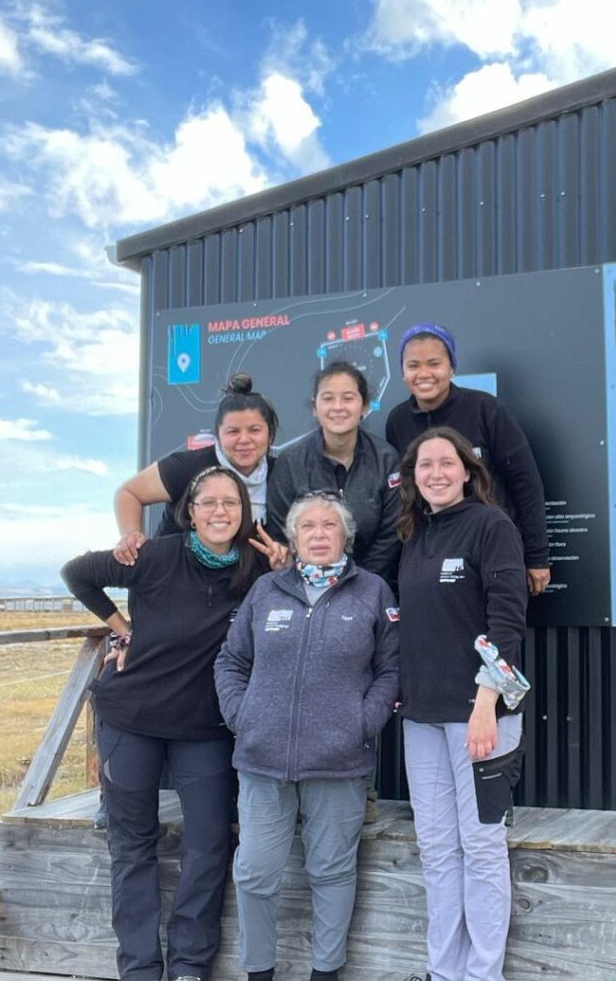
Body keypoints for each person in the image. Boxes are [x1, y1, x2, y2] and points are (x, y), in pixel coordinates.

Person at [61, 467, 287, 981]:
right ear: (189, 511)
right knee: (132, 844)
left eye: (230, 502)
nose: (219, 512)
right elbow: (76, 572)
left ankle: (188, 966)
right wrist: (124, 630)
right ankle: (140, 967)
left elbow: (290, 610)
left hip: (205, 728)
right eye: (207, 502)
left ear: (244, 511)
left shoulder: (256, 567)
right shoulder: (154, 554)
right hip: (132, 719)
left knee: (209, 844)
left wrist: (286, 566)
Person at [215, 493, 400, 981]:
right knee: (254, 874)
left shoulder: (373, 592)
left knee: (332, 872)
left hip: (339, 762)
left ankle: (326, 972)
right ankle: (258, 971)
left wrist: (363, 723)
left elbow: (391, 669)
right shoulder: (266, 590)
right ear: (293, 539)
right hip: (261, 759)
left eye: (329, 526)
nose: (319, 534)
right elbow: (231, 661)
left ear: (345, 536)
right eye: (308, 527)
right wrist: (243, 715)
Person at [397, 426, 530, 981]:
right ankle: (443, 971)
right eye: (424, 465)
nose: (435, 473)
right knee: (436, 850)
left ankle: (482, 974)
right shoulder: (412, 534)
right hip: (422, 717)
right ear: (413, 477)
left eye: (446, 463)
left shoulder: (492, 527)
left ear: (468, 470)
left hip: (481, 716)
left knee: (479, 846)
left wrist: (484, 706)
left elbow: (507, 623)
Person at [384, 323, 551, 596]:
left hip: (488, 550)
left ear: (452, 367)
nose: (423, 374)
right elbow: (402, 492)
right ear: (402, 373)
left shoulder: (486, 409)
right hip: (427, 555)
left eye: (434, 363)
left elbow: (526, 483)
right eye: (413, 365)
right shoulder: (398, 421)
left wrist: (537, 556)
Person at [114, 373, 279, 565]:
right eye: (233, 431)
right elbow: (128, 493)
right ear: (218, 434)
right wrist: (131, 534)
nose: (244, 440)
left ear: (270, 433)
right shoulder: (187, 467)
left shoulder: (283, 473)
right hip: (171, 579)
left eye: (254, 430)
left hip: (239, 585)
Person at [266, 361, 400, 582]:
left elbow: (391, 535)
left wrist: (359, 584)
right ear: (314, 407)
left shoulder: (386, 459)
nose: (338, 407)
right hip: (305, 587)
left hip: (371, 585)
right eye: (328, 398)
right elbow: (281, 533)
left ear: (365, 406)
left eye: (348, 398)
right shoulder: (291, 462)